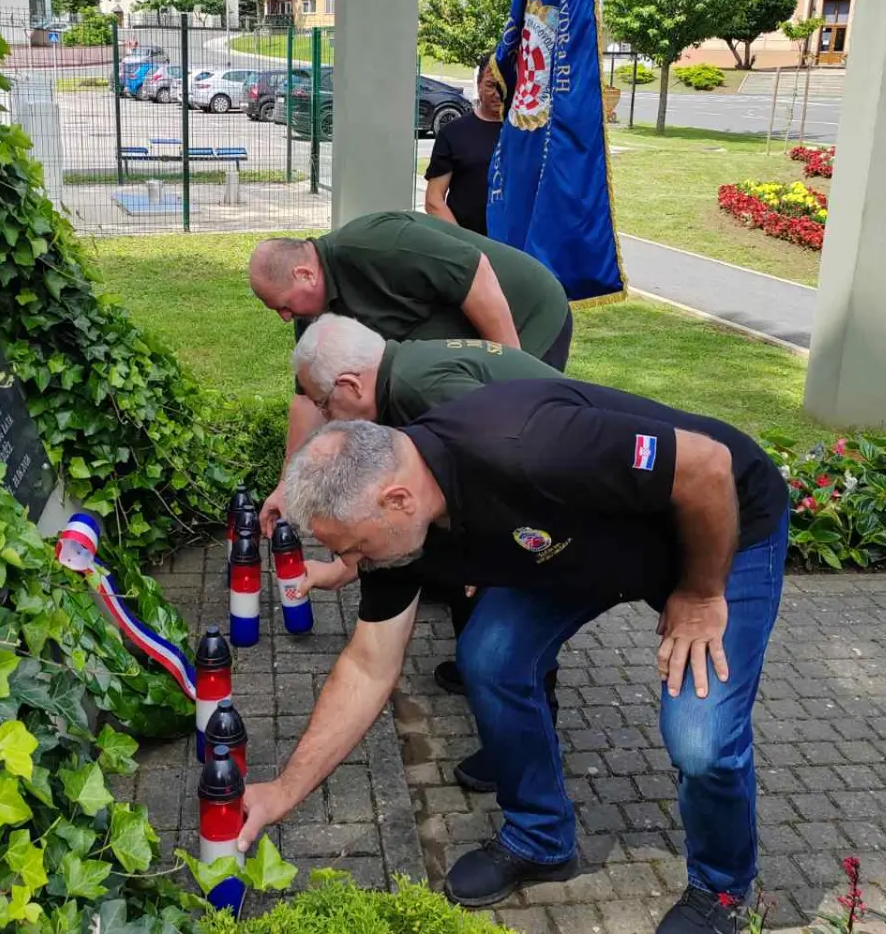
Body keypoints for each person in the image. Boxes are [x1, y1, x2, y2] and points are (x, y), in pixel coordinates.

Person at [234, 379, 790, 934]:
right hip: (582, 548)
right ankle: (540, 838)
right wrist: (284, 789)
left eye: (352, 547)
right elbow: (367, 666)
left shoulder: (529, 444)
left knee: (701, 739)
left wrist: (699, 592)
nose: (350, 562)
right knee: (491, 659)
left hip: (721, 526)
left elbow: (706, 465)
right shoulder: (400, 531)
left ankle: (722, 888)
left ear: (396, 500)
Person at [247, 211, 572, 697]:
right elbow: (306, 400)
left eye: (284, 307)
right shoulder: (320, 321)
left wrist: (509, 388)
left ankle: (509, 659)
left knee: (484, 478)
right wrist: (287, 486)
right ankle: (457, 583)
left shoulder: (375, 245)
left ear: (304, 274)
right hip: (447, 364)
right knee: (442, 486)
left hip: (523, 317)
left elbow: (476, 274)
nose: (284, 318)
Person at [286, 313, 566, 789]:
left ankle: (525, 743)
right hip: (518, 506)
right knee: (469, 606)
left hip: (560, 508)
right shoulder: (400, 377)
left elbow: (503, 465)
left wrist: (494, 550)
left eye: (323, 404)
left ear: (351, 385)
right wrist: (345, 567)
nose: (326, 416)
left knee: (501, 640)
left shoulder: (422, 390)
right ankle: (494, 695)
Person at [424, 64, 506, 235]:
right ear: (478, 85)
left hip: (515, 248)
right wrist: (466, 247)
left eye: (504, 84)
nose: (497, 93)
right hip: (467, 245)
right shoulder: (453, 133)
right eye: (491, 85)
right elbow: (434, 200)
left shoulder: (525, 136)